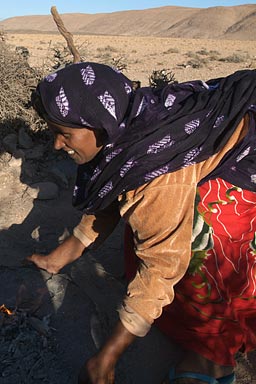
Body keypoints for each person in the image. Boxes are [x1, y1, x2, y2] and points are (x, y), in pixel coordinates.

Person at [27, 61, 256, 384]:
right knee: (146, 217)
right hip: (202, 149)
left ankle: (212, 353)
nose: (57, 145)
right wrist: (59, 257)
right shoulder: (123, 124)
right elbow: (113, 186)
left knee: (204, 237)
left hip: (246, 160)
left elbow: (162, 264)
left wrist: (106, 358)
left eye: (65, 134)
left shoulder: (158, 169)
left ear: (98, 125)